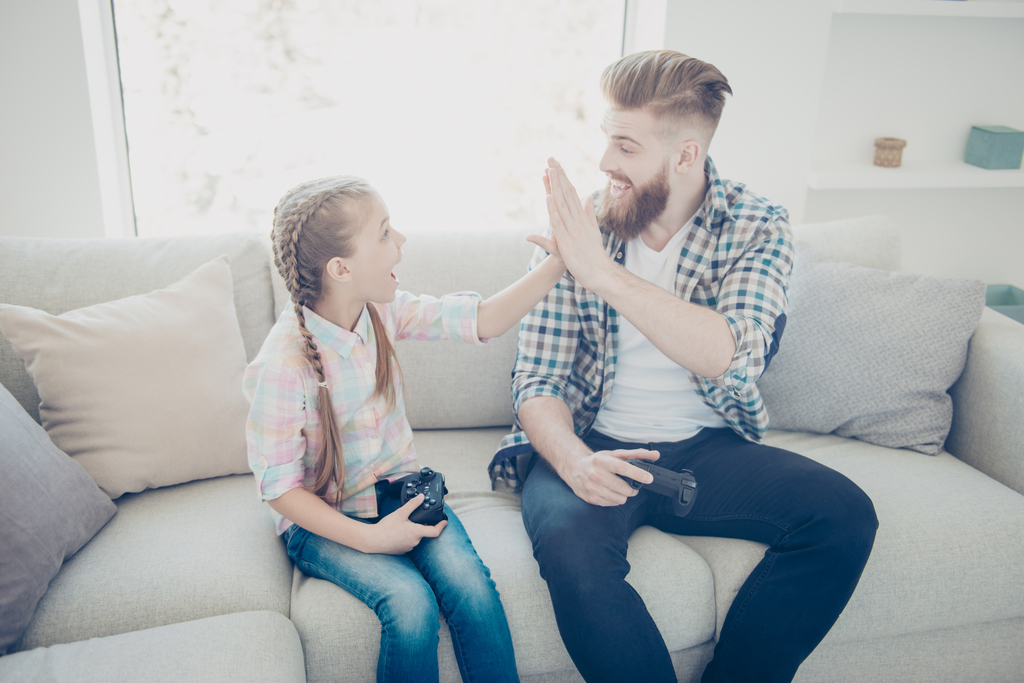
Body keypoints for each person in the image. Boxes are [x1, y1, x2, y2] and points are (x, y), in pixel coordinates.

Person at [488, 50, 878, 683]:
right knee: (569, 547)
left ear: (686, 155)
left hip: (707, 449)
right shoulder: (585, 225)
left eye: (626, 146)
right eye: (606, 141)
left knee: (844, 515)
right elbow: (537, 378)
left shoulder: (757, 227)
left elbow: (732, 353)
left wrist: (601, 273)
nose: (606, 163)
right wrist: (571, 460)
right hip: (595, 443)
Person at [244, 175, 566, 683]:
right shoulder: (283, 365)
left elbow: (482, 319)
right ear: (340, 268)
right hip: (324, 519)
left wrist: (558, 264)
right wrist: (369, 540)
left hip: (401, 491)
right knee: (410, 605)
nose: (402, 242)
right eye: (385, 233)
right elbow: (280, 489)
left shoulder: (382, 312)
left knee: (473, 592)